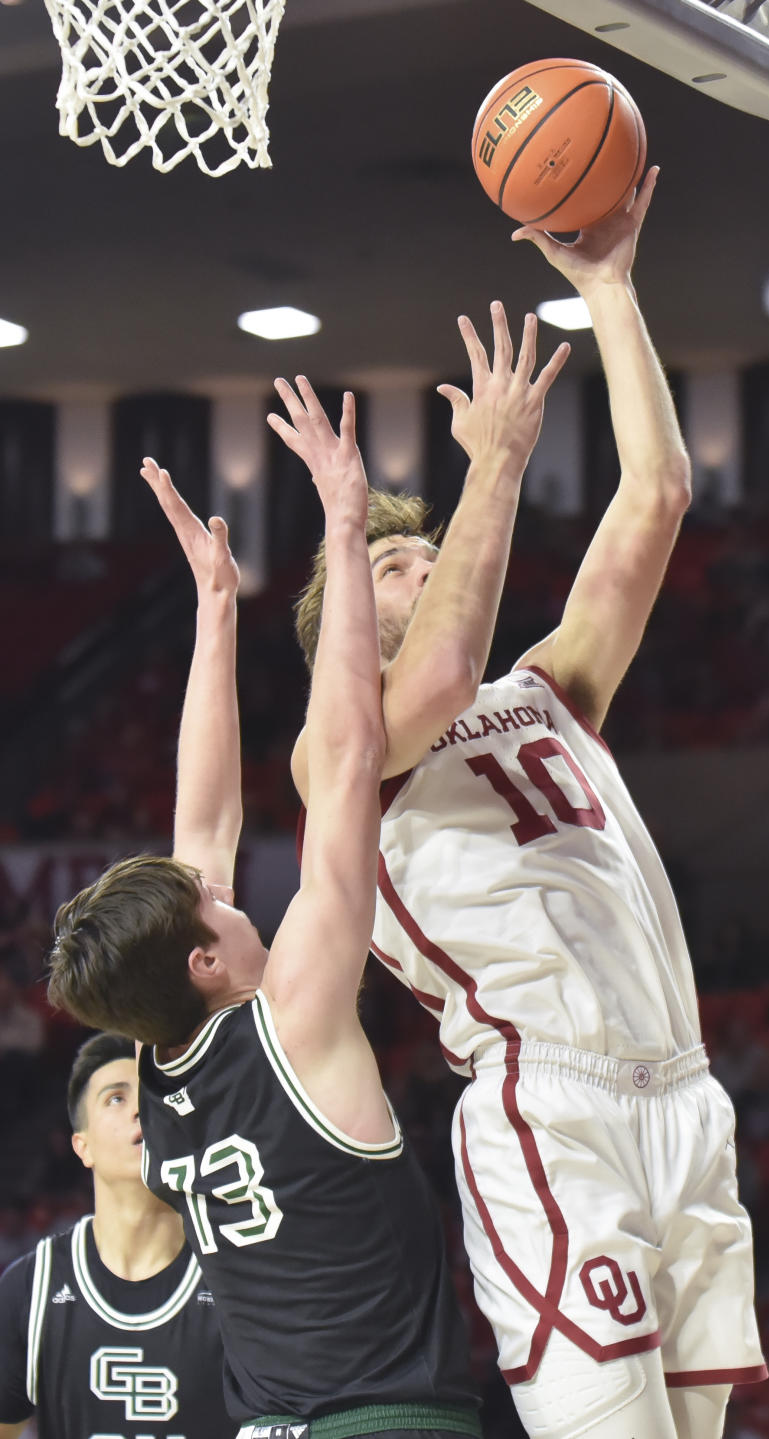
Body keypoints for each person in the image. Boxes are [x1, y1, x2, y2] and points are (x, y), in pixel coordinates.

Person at [278, 172, 765, 1439]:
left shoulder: (548, 688)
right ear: (343, 629)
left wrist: (610, 292)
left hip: (684, 1092)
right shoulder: (346, 749)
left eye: (432, 551)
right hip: (547, 1101)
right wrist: (494, 463)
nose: (429, 564)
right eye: (394, 562)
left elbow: (654, 499)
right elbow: (434, 668)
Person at [46, 425, 481, 1439]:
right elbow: (346, 761)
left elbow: (203, 829)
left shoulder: (155, 1075)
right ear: (204, 959)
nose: (236, 894)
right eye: (221, 908)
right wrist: (341, 525)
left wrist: (215, 610)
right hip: (385, 1420)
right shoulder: (293, 1017)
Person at [0, 1031, 234, 1439]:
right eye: (116, 1097)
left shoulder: (238, 1277)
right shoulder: (29, 1290)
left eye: (151, 1097)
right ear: (82, 1146)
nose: (140, 1110)